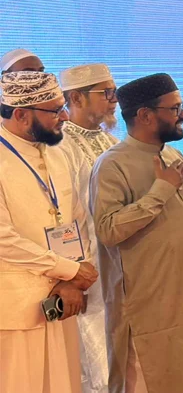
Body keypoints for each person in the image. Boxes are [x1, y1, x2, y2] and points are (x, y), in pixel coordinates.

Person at [89, 73, 183, 393]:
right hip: (149, 307)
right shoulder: (112, 165)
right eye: (175, 108)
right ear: (145, 115)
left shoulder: (173, 155)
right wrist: (160, 191)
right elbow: (108, 230)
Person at [0, 71, 99, 393]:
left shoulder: (58, 153)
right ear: (21, 114)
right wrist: (68, 270)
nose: (65, 117)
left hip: (61, 300)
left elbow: (77, 219)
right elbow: (3, 239)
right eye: (55, 110)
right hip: (14, 308)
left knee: (63, 383)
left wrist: (72, 280)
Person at [58, 63, 120, 393]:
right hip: (84, 265)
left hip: (118, 259)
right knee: (90, 354)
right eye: (106, 93)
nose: (114, 100)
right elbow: (61, 216)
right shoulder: (58, 145)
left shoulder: (112, 142)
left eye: (115, 92)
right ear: (77, 98)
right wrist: (70, 272)